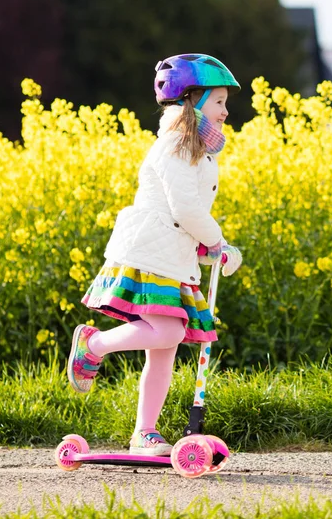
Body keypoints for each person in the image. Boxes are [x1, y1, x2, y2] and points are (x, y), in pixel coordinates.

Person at [67, 53, 243, 456]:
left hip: (168, 255)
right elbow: (184, 209)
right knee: (169, 332)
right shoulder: (177, 145)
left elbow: (181, 216)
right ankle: (92, 345)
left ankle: (143, 434)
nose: (226, 111)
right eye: (218, 101)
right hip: (149, 253)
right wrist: (216, 241)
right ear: (192, 102)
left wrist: (207, 248)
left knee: (162, 352)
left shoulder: (195, 149)